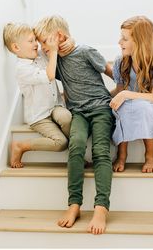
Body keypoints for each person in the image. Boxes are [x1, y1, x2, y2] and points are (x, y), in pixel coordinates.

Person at [34, 15, 114, 235]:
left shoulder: (86, 51)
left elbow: (111, 72)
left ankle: (101, 208)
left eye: (44, 41)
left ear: (59, 36)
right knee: (76, 145)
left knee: (100, 151)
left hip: (100, 109)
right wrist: (52, 50)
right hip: (78, 112)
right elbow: (37, 59)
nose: (42, 47)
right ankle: (74, 205)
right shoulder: (54, 59)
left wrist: (123, 96)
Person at [3, 23, 74, 168]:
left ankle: (75, 156)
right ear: (16, 47)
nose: (36, 44)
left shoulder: (40, 55)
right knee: (61, 143)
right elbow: (49, 75)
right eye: (31, 41)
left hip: (55, 106)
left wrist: (70, 41)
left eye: (35, 40)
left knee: (66, 117)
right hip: (39, 116)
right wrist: (53, 52)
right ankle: (21, 146)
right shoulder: (22, 69)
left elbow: (59, 47)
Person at [110, 16, 153, 173]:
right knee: (121, 107)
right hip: (128, 102)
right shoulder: (121, 61)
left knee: (144, 108)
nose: (119, 42)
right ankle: (122, 154)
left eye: (124, 39)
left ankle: (150, 154)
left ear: (140, 42)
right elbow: (119, 91)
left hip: (149, 103)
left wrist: (125, 94)